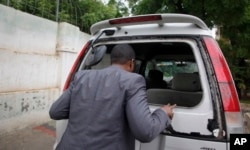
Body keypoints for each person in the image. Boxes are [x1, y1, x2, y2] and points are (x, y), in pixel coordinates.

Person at [49, 44, 176, 150]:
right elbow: (145, 132)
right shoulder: (133, 81)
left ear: (111, 61)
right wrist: (163, 113)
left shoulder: (81, 76)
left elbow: (55, 111)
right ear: (131, 63)